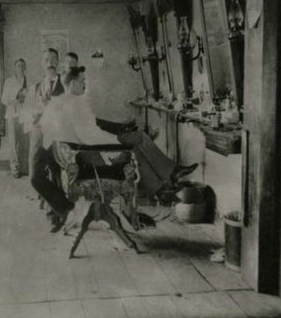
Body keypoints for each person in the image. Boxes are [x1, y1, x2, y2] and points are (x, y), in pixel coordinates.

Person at [33, 66, 198, 232]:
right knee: (136, 145)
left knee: (138, 139)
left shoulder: (58, 102)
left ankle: (164, 185)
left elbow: (73, 133)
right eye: (83, 80)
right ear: (74, 83)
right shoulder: (76, 103)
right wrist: (117, 143)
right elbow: (89, 136)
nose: (85, 84)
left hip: (76, 155)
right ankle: (164, 185)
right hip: (90, 156)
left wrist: (117, 136)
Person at [26, 48, 65, 179]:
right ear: (42, 63)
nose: (50, 63)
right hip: (40, 132)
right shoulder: (35, 88)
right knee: (35, 173)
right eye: (47, 60)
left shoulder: (66, 85)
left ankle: (57, 197)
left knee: (57, 170)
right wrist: (39, 109)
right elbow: (28, 113)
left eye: (53, 59)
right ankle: (43, 195)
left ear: (58, 62)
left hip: (59, 133)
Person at [1, 58, 29, 178]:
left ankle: (24, 168)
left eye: (22, 66)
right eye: (18, 66)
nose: (20, 68)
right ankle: (15, 169)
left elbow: (33, 98)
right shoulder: (9, 82)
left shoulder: (29, 81)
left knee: (24, 142)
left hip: (25, 116)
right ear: (14, 68)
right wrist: (13, 101)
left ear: (25, 67)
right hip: (12, 115)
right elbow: (3, 99)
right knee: (13, 143)